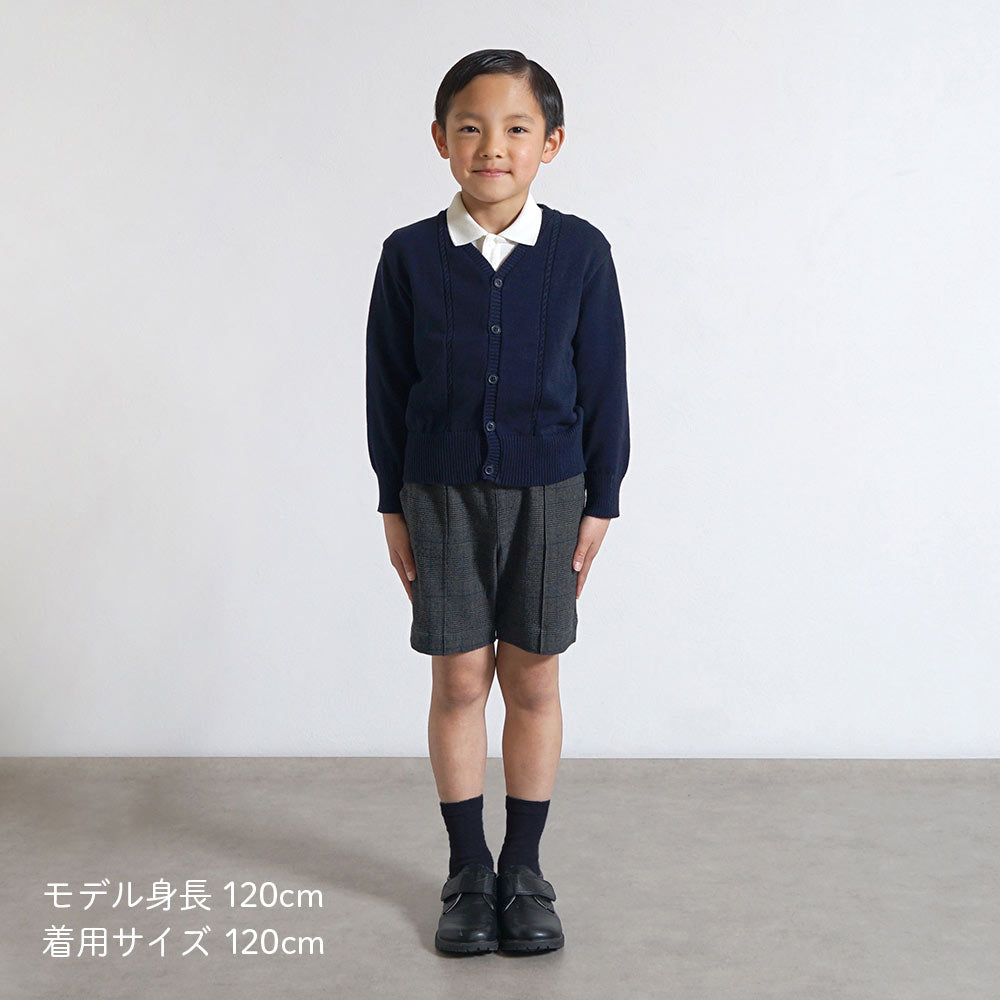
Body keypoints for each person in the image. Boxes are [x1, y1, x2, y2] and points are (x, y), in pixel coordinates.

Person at [365, 48, 630, 955]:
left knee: (535, 678)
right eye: (470, 127)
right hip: (437, 496)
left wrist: (602, 499)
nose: (492, 147)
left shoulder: (580, 252)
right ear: (440, 139)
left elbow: (604, 383)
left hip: (551, 494)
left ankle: (524, 868)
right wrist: (392, 502)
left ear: (550, 143)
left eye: (517, 128)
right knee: (458, 680)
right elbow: (386, 386)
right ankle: (467, 870)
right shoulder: (409, 256)